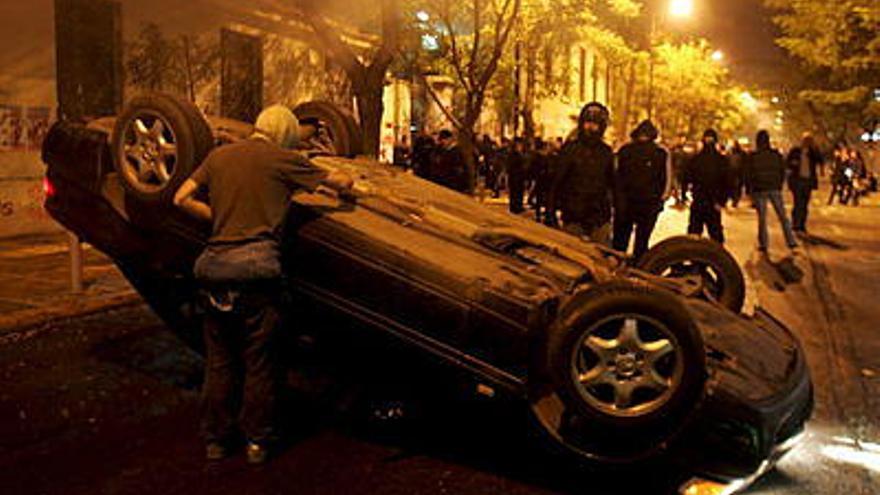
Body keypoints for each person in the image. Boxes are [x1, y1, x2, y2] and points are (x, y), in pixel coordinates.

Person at [173, 105, 353, 464]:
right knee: (259, 362)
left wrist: (221, 217)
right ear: (285, 133)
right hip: (257, 272)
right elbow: (342, 184)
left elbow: (180, 197)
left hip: (213, 270)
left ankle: (216, 441)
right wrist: (347, 177)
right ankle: (257, 441)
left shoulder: (218, 156)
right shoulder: (282, 159)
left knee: (220, 362)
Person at [546, 102, 615, 243]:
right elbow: (555, 182)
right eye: (588, 123)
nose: (591, 128)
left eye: (595, 124)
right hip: (574, 216)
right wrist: (550, 214)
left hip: (599, 217)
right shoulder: (570, 150)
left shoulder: (606, 152)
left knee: (600, 258)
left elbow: (614, 184)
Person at [612, 120, 671, 259]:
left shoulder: (625, 150)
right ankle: (638, 268)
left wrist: (617, 199)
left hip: (626, 203)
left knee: (620, 241)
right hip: (649, 203)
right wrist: (662, 199)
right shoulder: (661, 153)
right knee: (642, 242)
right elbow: (666, 177)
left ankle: (616, 268)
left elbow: (616, 177)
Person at [744, 130, 798, 254]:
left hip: (760, 189)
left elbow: (748, 174)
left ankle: (764, 243)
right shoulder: (776, 154)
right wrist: (779, 184)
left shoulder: (753, 156)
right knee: (783, 216)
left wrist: (750, 190)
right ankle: (791, 241)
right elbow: (782, 170)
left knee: (762, 219)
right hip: (774, 188)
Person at [684, 129, 731, 244]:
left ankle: (694, 258)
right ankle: (718, 259)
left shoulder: (696, 159)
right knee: (715, 233)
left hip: (699, 200)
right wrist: (722, 201)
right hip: (713, 202)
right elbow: (728, 182)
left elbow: (686, 177)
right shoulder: (721, 160)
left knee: (694, 233)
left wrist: (684, 195)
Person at [786, 133, 823, 233]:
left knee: (805, 204)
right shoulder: (795, 151)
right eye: (806, 140)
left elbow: (820, 160)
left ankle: (802, 224)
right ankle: (795, 223)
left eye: (809, 141)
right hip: (797, 181)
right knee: (797, 202)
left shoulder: (813, 152)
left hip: (808, 181)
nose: (807, 143)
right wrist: (793, 164)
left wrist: (815, 149)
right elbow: (787, 162)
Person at [507, 137, 527, 214]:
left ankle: (516, 206)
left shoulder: (516, 154)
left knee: (517, 192)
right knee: (516, 192)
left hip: (517, 177)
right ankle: (515, 207)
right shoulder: (514, 155)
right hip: (516, 177)